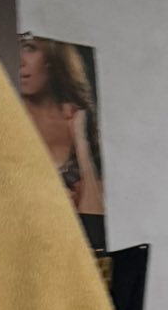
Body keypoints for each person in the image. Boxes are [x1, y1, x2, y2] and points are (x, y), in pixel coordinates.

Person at [19, 33, 105, 217]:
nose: (20, 61)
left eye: (28, 48)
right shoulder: (3, 121)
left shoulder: (79, 119)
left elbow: (96, 219)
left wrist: (81, 143)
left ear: (52, 57)